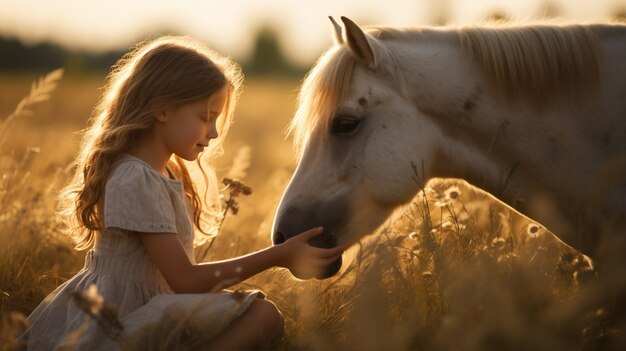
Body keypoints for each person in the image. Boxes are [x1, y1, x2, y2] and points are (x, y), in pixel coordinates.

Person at [18, 35, 344, 350]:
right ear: (161, 109)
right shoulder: (134, 177)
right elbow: (185, 280)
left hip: (156, 307)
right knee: (262, 315)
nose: (214, 132)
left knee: (261, 315)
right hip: (121, 317)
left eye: (216, 120)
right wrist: (278, 256)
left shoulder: (167, 172)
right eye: (205, 117)